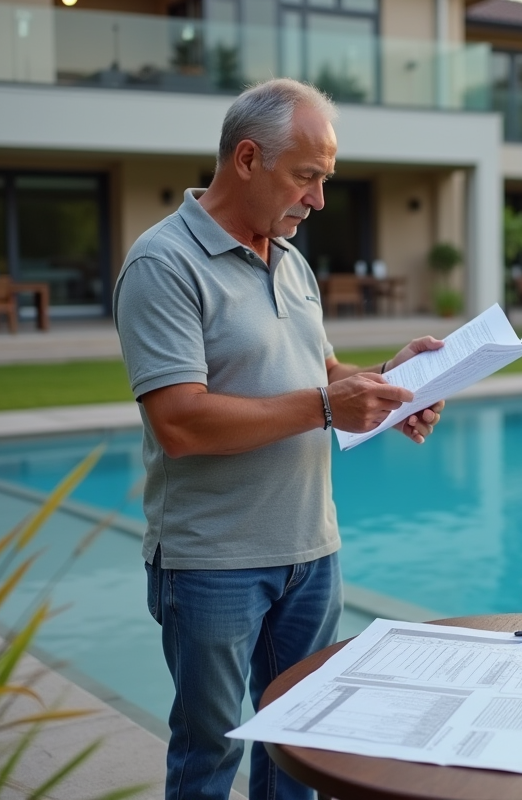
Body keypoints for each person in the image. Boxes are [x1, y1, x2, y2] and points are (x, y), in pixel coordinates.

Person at [112, 78, 446, 800]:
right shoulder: (162, 263)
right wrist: (330, 403)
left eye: (326, 181)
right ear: (246, 159)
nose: (319, 200)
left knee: (296, 751)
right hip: (212, 563)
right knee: (208, 756)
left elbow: (314, 371)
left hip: (310, 553)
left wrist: (387, 382)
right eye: (307, 178)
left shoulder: (290, 261)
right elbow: (179, 421)